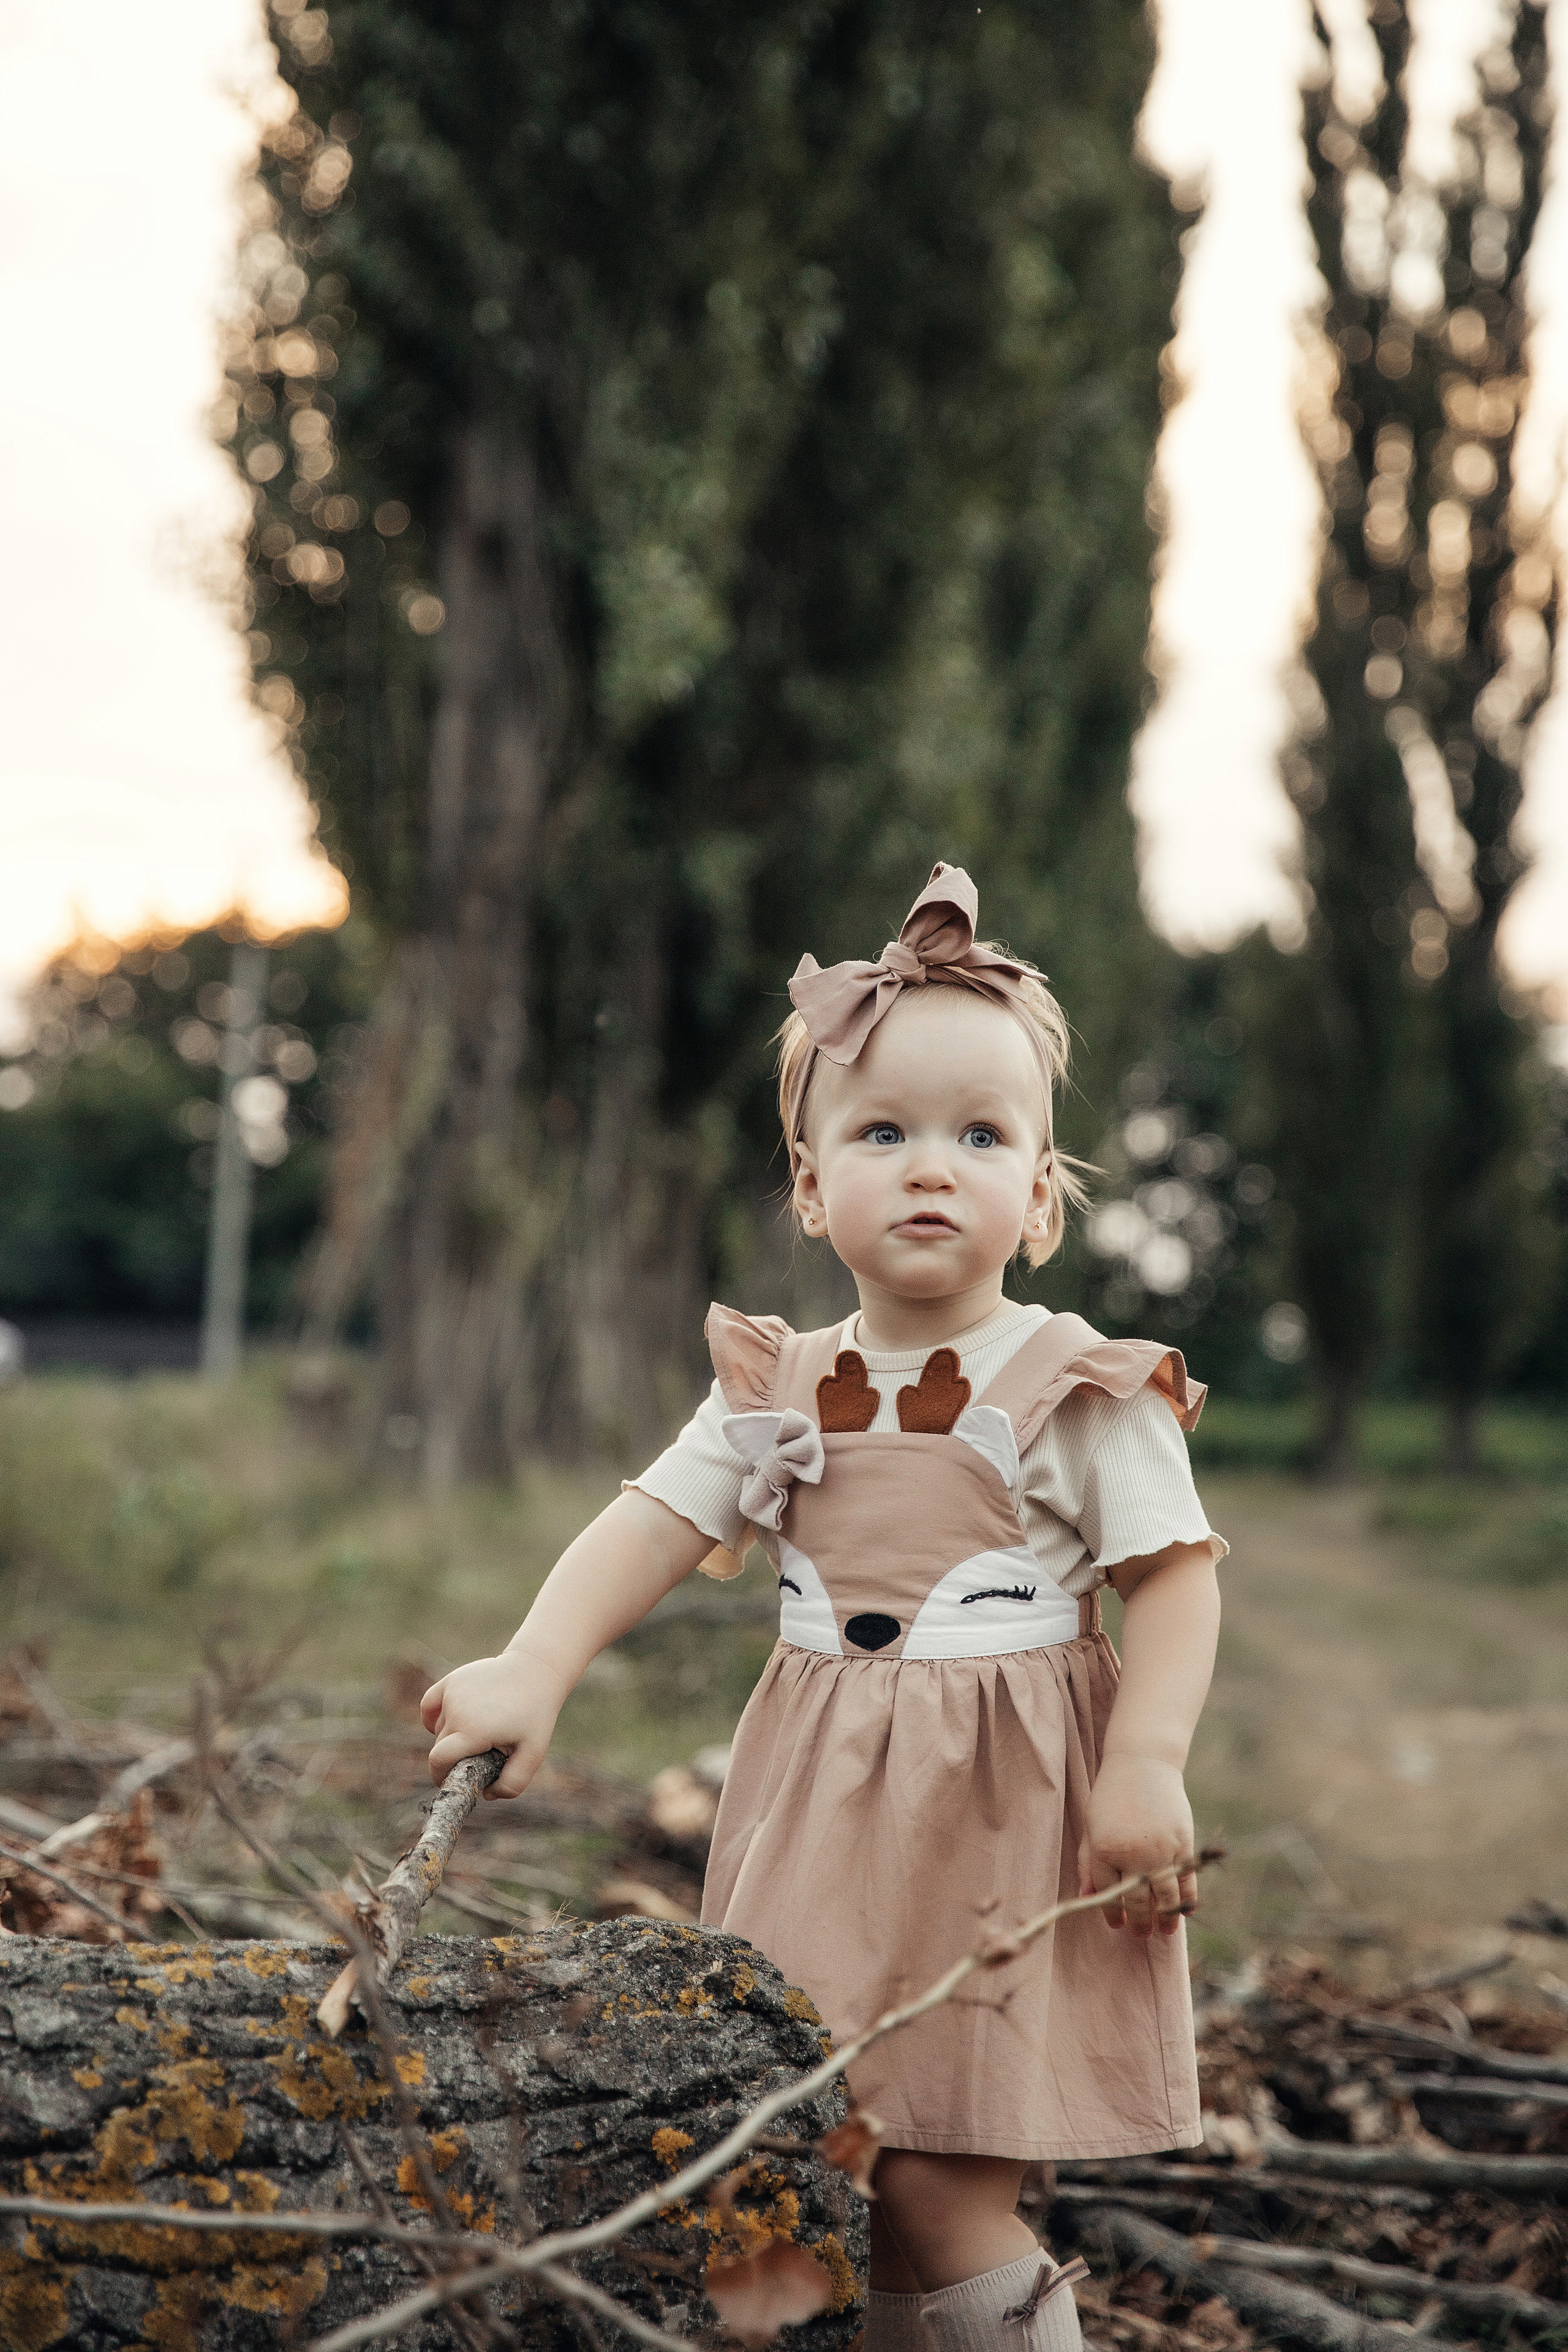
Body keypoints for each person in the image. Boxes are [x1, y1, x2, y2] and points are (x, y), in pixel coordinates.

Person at [423, 864, 1224, 2352]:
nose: (931, 1166)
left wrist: (1147, 1763)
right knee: (818, 2153)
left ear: (1038, 1196)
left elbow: (1172, 1578)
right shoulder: (771, 1384)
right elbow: (650, 1520)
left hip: (1007, 1811)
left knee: (936, 2177)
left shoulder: (1079, 1387)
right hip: (817, 1814)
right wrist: (536, 1664)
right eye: (882, 1132)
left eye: (979, 1135)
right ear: (809, 1188)